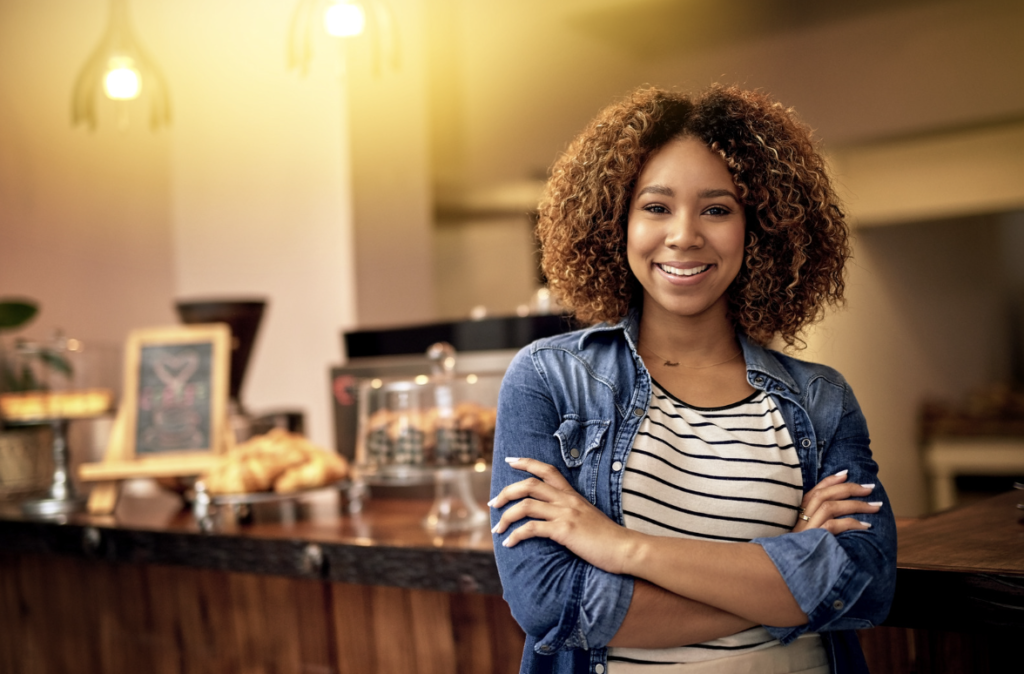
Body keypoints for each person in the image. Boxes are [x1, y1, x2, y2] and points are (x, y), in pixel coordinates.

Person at [488, 85, 897, 674]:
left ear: (760, 227)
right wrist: (789, 574)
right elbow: (554, 605)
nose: (684, 235)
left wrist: (621, 547)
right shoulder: (549, 381)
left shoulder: (820, 399)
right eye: (656, 207)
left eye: (716, 208)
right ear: (616, 223)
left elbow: (862, 584)